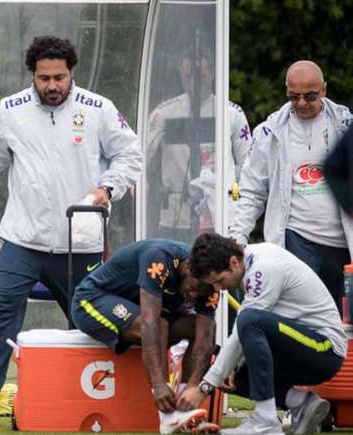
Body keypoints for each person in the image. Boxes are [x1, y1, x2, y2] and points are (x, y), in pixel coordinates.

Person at [0, 35, 142, 427]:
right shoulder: (10, 109)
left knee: (88, 320)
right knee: (0, 311)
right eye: (44, 78)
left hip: (82, 238)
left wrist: (108, 188)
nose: (52, 85)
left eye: (59, 77)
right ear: (32, 76)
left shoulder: (98, 108)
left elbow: (130, 152)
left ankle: (85, 398)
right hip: (22, 237)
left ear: (72, 73)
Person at [181, 233, 347, 434]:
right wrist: (225, 371)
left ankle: (266, 422)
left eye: (219, 280)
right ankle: (301, 403)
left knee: (250, 320)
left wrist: (204, 387)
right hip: (300, 345)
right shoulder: (247, 265)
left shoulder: (264, 266)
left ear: (233, 262)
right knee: (233, 375)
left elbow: (245, 327)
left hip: (325, 349)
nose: (218, 288)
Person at [229, 60, 353, 314]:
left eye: (310, 96)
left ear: (324, 90)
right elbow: (252, 191)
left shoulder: (346, 125)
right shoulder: (268, 132)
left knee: (344, 318)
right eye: (294, 97)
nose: (302, 104)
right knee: (302, 315)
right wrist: (236, 238)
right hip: (297, 239)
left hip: (344, 243)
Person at [71, 239, 217, 434]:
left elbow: (206, 338)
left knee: (197, 330)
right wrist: (158, 385)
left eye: (203, 292)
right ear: (188, 268)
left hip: (142, 311)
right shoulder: (159, 259)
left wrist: (192, 389)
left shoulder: (212, 282)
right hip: (91, 300)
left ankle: (183, 412)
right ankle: (167, 419)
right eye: (195, 287)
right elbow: (150, 322)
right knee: (158, 324)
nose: (195, 295)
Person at [146, 49, 252, 241]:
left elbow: (247, 164)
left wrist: (230, 194)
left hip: (219, 217)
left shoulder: (231, 114)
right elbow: (140, 156)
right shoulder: (164, 113)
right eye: (188, 77)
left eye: (201, 76)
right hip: (176, 217)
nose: (195, 83)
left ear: (212, 73)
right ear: (181, 75)